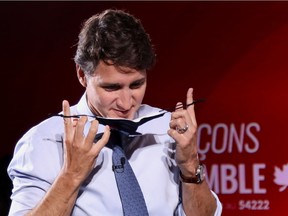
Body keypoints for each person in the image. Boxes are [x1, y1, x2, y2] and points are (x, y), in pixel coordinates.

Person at [7, 9, 222, 216]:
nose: (127, 102)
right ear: (82, 74)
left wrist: (190, 165)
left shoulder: (167, 127)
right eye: (112, 88)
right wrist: (70, 176)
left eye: (137, 85)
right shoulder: (44, 141)